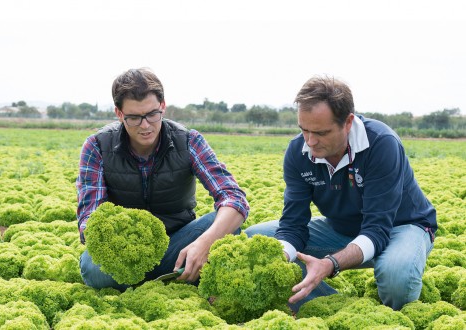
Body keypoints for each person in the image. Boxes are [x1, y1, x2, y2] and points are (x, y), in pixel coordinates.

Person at [245, 75, 436, 312]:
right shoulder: (298, 152)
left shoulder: (380, 144)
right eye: (304, 130)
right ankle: (334, 305)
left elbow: (377, 229)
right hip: (343, 229)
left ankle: (393, 318)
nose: (310, 142)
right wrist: (279, 258)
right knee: (260, 242)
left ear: (347, 123)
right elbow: (293, 225)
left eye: (321, 133)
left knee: (397, 275)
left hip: (401, 227)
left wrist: (330, 263)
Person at [77, 68, 249, 291]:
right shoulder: (98, 146)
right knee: (94, 271)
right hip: (125, 253)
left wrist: (205, 243)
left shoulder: (188, 141)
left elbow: (233, 197)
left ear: (163, 106)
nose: (145, 125)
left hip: (179, 241)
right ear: (119, 114)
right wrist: (121, 244)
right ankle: (172, 276)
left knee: (224, 226)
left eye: (152, 114)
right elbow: (89, 216)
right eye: (134, 118)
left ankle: (162, 274)